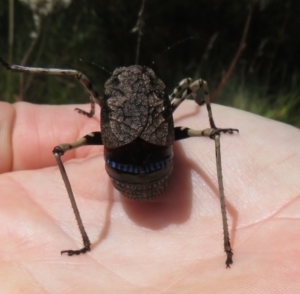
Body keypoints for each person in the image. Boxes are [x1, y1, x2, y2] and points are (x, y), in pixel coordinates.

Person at [1, 101, 299, 292]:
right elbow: (200, 87)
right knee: (211, 134)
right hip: (157, 175)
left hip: (126, 177)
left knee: (60, 150)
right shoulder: (166, 98)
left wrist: (96, 112)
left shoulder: (109, 97)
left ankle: (86, 241)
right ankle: (225, 243)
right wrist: (210, 119)